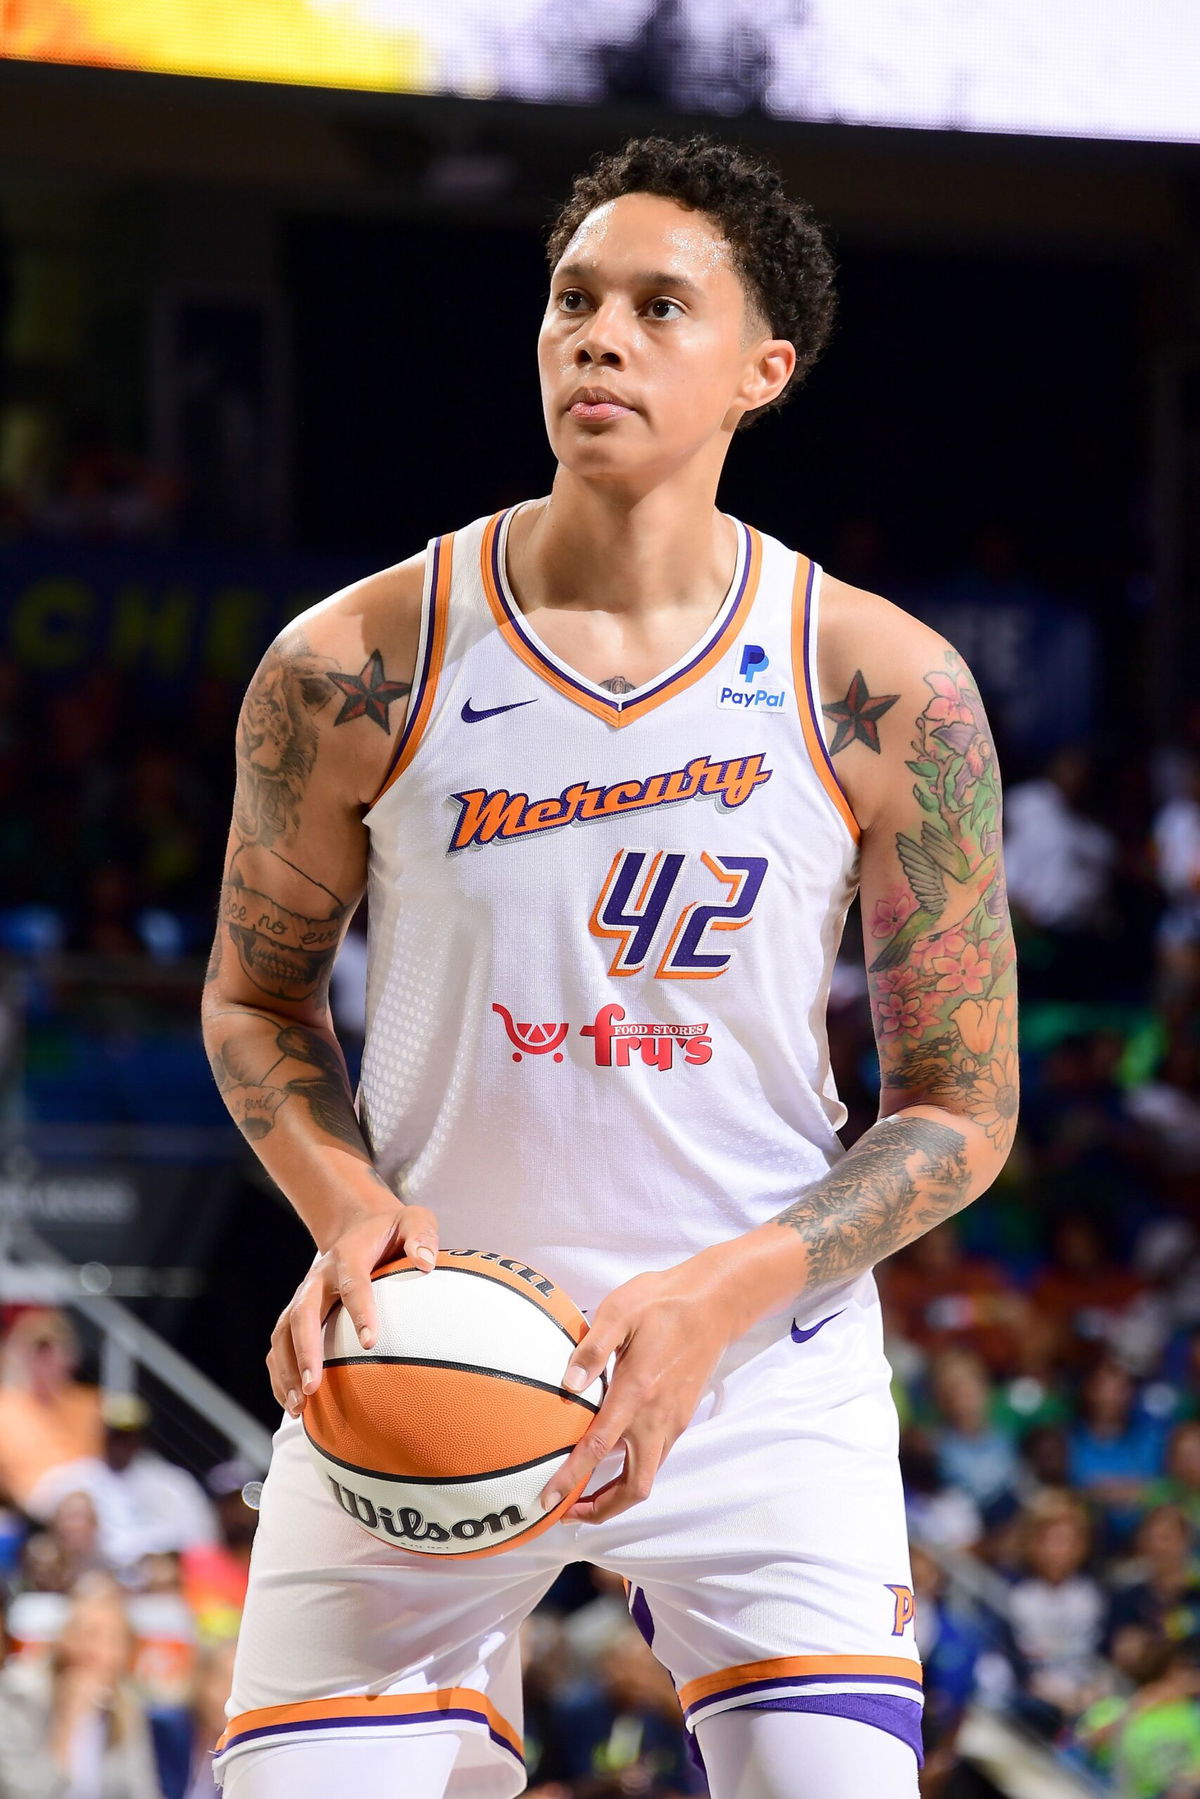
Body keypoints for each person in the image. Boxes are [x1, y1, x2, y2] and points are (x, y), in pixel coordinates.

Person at [201, 133, 1019, 1799]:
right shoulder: (355, 659)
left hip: (757, 1368)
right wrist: (349, 1209)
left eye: (661, 306)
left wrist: (722, 1293)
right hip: (423, 1346)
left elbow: (961, 1101)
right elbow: (253, 992)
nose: (601, 336)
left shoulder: (883, 682)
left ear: (761, 369)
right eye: (575, 299)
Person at [0, 1571, 164, 1799]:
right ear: (63, 1639)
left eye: (116, 1640)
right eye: (89, 1635)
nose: (101, 1653)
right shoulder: (17, 1695)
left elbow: (143, 1791)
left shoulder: (127, 1704)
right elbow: (24, 1794)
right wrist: (68, 1722)